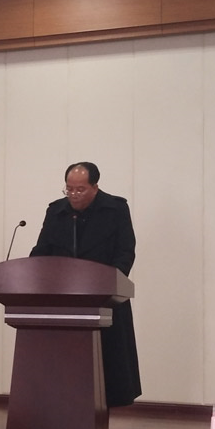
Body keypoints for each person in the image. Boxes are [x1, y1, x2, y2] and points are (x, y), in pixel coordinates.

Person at [29, 162, 142, 408]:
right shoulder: (56, 211)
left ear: (95, 187)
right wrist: (29, 271)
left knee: (106, 377)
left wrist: (111, 282)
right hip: (62, 303)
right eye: (69, 189)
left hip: (105, 301)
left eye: (80, 189)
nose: (74, 195)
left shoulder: (115, 209)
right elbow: (42, 250)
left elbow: (125, 251)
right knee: (63, 379)